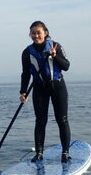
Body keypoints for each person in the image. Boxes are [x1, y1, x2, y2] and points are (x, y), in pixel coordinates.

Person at [19, 21, 71, 163]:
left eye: (38, 32)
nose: (36, 36)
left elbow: (66, 66)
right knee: (40, 121)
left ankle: (65, 152)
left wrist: (55, 56)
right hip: (40, 88)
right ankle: (39, 153)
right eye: (33, 33)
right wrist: (23, 92)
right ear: (30, 35)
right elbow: (25, 74)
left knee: (62, 119)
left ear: (45, 33)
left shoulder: (55, 46)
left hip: (57, 86)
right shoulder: (27, 52)